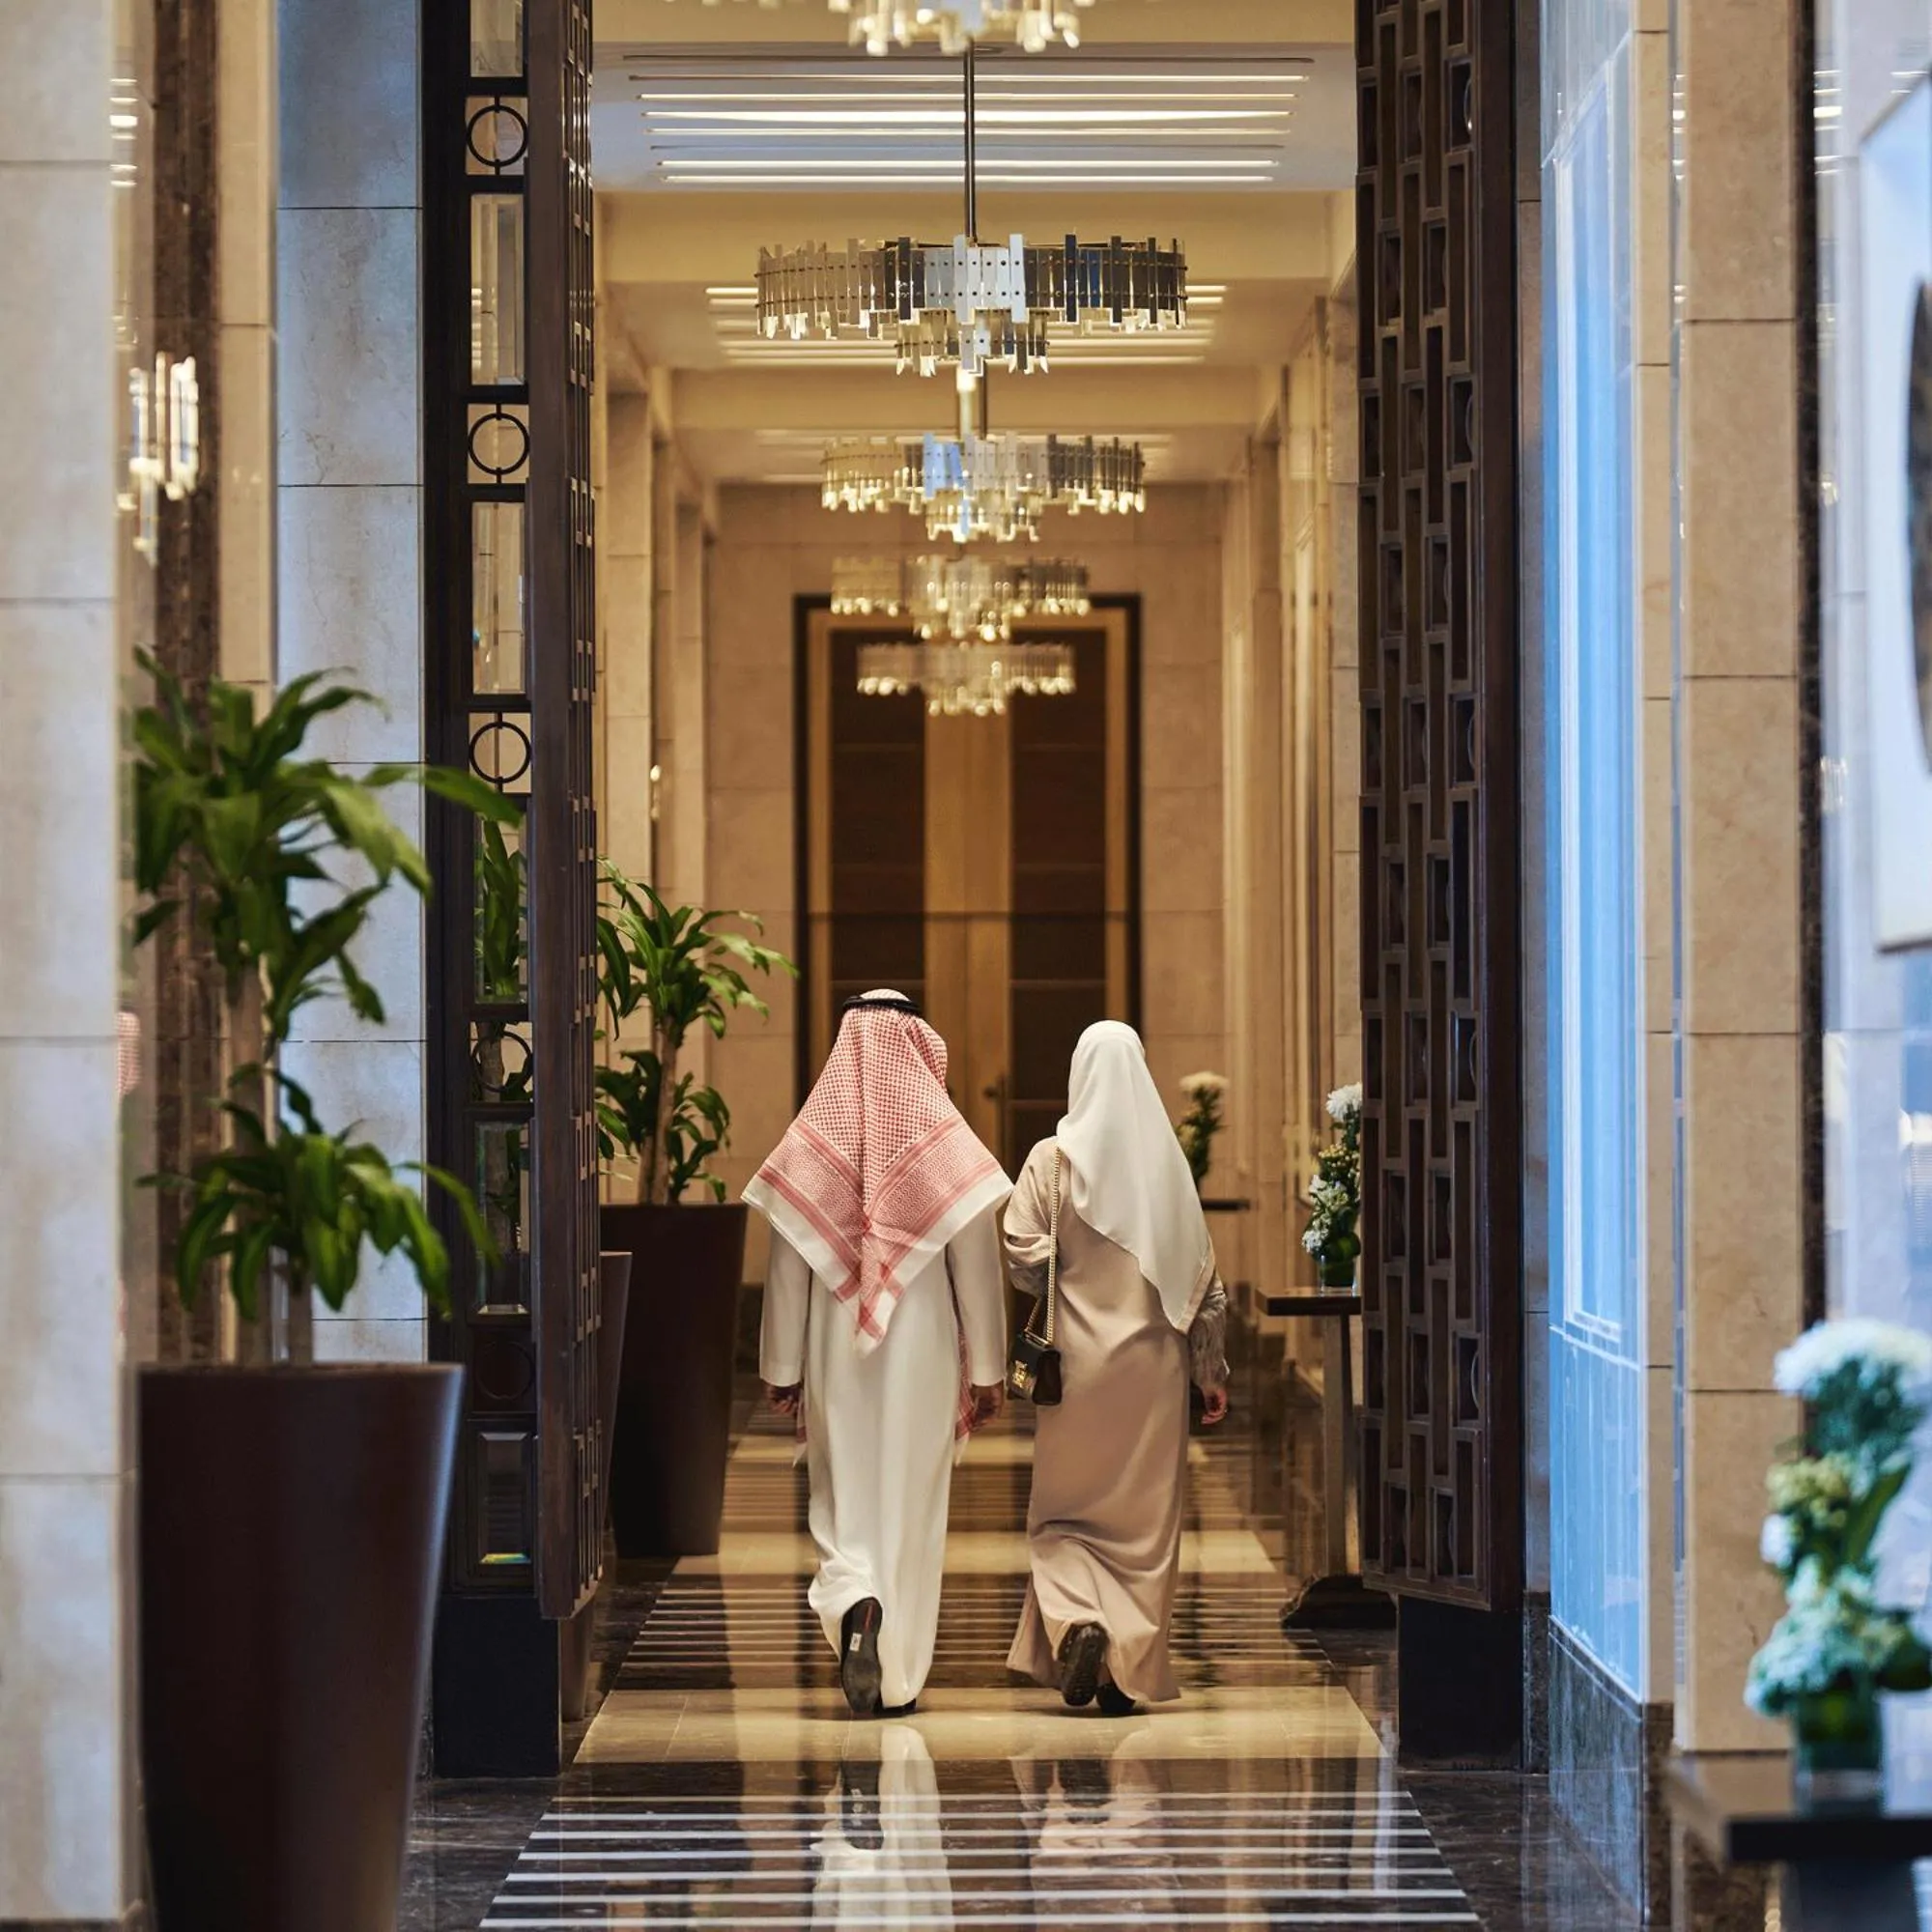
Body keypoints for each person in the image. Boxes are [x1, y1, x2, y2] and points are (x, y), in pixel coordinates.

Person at [746, 991, 1010, 1718]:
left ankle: (853, 1599)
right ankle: (898, 1682)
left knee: (842, 1496)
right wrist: (988, 1370)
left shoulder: (810, 1143)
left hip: (836, 1347)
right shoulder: (947, 1147)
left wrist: (782, 1369)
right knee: (912, 1505)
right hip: (922, 1349)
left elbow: (788, 1266)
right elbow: (977, 1268)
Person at [1006, 1020, 1231, 1717]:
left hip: (1075, 1371)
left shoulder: (1051, 1160)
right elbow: (1206, 1286)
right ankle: (1122, 1662)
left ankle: (1081, 1622)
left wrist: (1063, 1273)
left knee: (1062, 1515)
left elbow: (1019, 1254)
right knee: (1143, 1529)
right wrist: (1209, 1373)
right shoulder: (1165, 1167)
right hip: (1153, 1374)